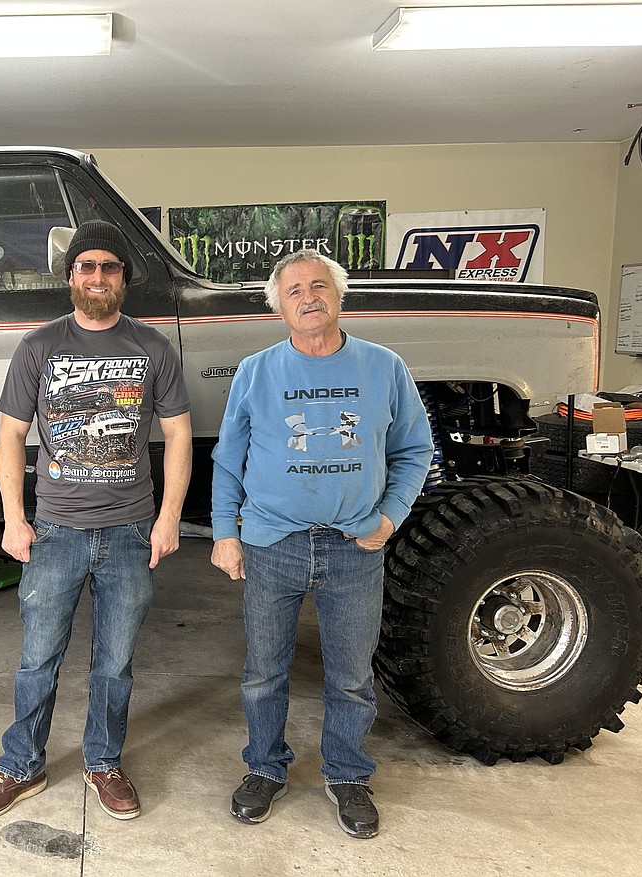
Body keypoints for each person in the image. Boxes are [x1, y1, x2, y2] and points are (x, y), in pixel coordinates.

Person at [0, 219, 192, 822]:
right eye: (86, 266)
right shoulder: (39, 347)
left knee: (114, 661)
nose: (97, 276)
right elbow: (11, 436)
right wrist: (14, 518)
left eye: (109, 266)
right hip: (57, 530)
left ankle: (103, 761)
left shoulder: (152, 348)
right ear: (70, 276)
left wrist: (169, 518)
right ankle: (21, 766)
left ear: (124, 277)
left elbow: (177, 434)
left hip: (129, 530)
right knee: (38, 657)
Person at [210, 248, 433, 839]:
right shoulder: (256, 372)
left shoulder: (384, 367)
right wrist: (224, 534)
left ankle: (348, 774)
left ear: (338, 295)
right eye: (294, 291)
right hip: (270, 544)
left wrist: (389, 519)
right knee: (263, 673)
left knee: (353, 676)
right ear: (279, 307)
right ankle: (264, 767)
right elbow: (228, 460)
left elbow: (415, 451)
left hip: (354, 547)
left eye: (318, 286)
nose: (308, 298)